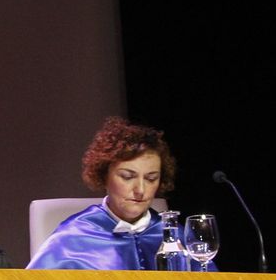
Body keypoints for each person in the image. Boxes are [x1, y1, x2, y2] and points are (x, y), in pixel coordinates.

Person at [27, 115, 183, 270]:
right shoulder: (73, 237)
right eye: (127, 177)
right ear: (104, 176)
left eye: (151, 178)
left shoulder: (175, 237)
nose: (140, 190)